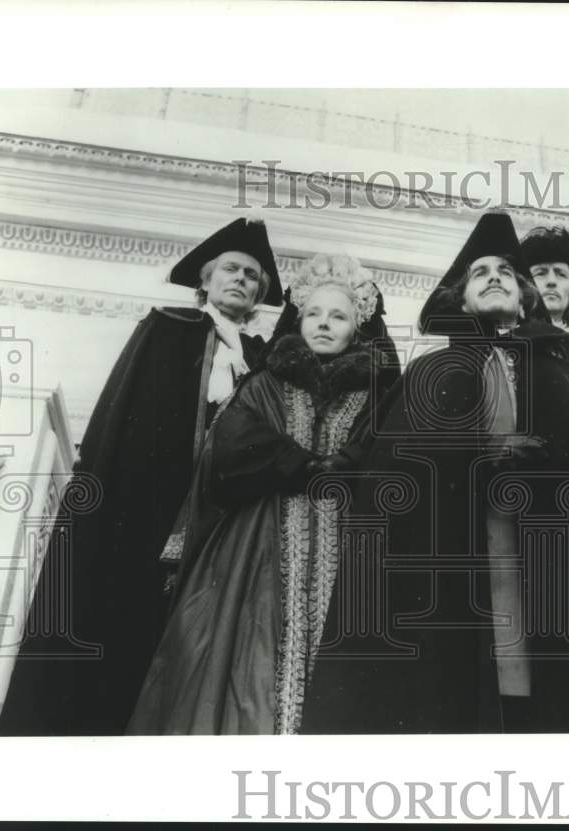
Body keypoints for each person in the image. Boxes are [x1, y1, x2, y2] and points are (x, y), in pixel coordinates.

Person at [302, 212, 569, 734]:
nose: (492, 276)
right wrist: (477, 460)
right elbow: (392, 475)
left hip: (547, 566)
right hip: (459, 567)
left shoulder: (565, 368)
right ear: (461, 301)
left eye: (506, 272)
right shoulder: (431, 370)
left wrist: (547, 472)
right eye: (479, 272)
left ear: (527, 295)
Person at [0, 216, 284, 736]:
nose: (241, 279)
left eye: (251, 276)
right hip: (148, 507)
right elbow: (125, 423)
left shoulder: (261, 360)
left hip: (217, 517)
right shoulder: (167, 328)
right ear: (206, 281)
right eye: (231, 269)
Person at [128, 255, 386, 735]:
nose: (325, 324)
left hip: (347, 537)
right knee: (243, 651)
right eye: (314, 313)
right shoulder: (267, 380)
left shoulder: (377, 392)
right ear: (298, 318)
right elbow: (230, 447)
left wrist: (349, 463)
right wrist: (298, 463)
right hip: (259, 539)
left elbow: (389, 450)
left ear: (358, 327)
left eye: (339, 316)